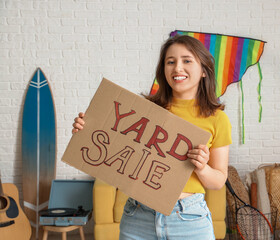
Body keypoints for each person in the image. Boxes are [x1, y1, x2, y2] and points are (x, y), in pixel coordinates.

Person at [72, 34, 232, 239]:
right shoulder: (145, 110)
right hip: (137, 216)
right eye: (170, 62)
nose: (177, 68)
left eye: (187, 60)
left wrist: (202, 167)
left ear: (203, 70)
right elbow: (113, 149)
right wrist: (87, 132)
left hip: (189, 220)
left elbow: (218, 181)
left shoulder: (217, 119)